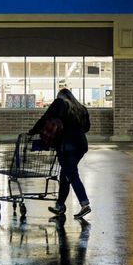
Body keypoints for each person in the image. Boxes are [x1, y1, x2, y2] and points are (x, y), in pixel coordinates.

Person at [29, 87, 91, 218]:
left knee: (71, 174)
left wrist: (33, 131)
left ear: (60, 96)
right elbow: (86, 128)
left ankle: (84, 204)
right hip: (80, 145)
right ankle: (60, 205)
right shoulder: (80, 108)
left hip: (66, 146)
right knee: (65, 175)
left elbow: (46, 118)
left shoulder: (59, 103)